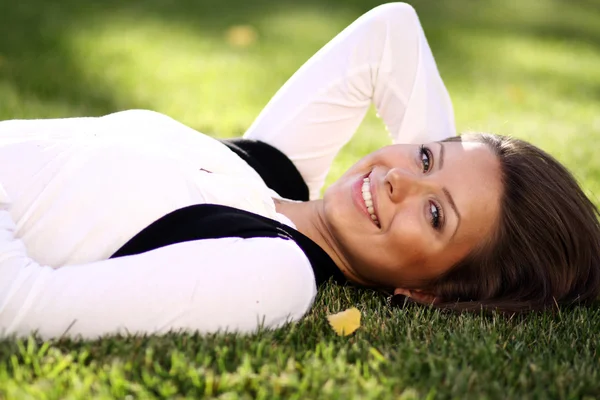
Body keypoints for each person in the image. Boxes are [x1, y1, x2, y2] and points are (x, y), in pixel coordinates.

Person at [1, 3, 598, 340]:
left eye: (436, 215)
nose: (399, 182)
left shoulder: (275, 273)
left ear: (426, 291)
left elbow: (19, 307)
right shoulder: (271, 173)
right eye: (423, 156)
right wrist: (447, 170)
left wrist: (441, 169)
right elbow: (392, 31)